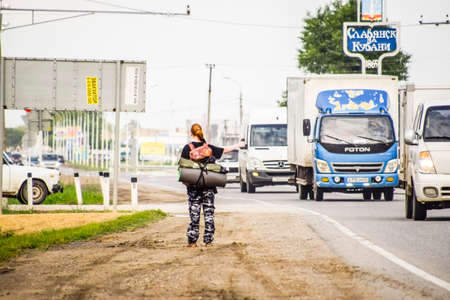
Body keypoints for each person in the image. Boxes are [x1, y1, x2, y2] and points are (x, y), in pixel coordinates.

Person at [180, 123, 244, 247]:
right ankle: (208, 241)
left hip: (193, 187)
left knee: (195, 214)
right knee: (209, 213)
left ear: (191, 133)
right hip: (208, 186)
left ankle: (192, 241)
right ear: (200, 133)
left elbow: (182, 167)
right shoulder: (208, 147)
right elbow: (224, 150)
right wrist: (238, 145)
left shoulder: (187, 148)